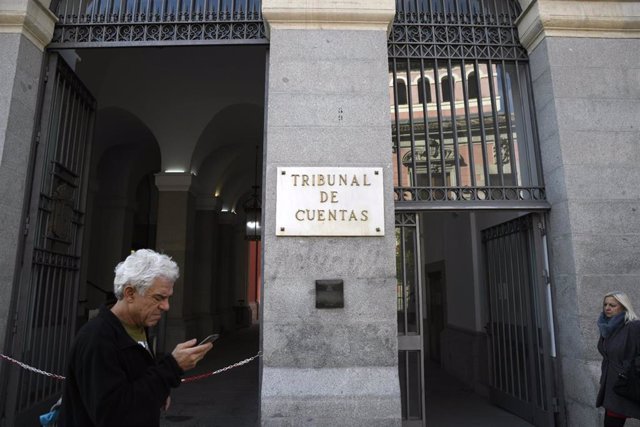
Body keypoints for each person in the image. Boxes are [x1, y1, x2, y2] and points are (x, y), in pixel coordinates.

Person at [59, 249, 213, 426]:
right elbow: (113, 416)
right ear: (130, 293)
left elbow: (135, 383)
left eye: (168, 298)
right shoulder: (97, 339)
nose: (166, 306)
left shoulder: (138, 325)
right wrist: (172, 367)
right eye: (159, 298)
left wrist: (158, 393)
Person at [596, 291, 640, 426]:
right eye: (605, 304)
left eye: (612, 305)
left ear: (623, 306)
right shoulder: (606, 328)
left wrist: (629, 369)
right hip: (613, 386)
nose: (607, 308)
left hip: (630, 382)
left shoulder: (633, 326)